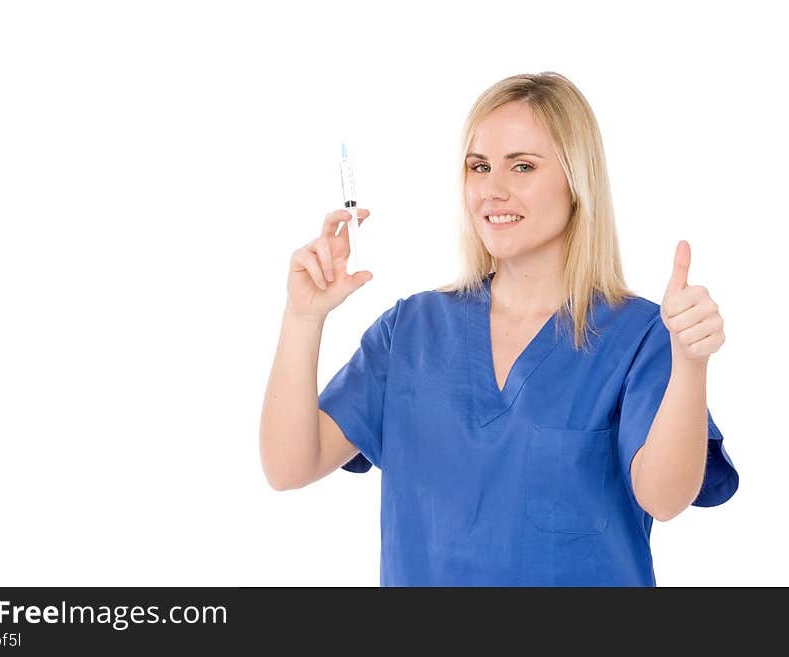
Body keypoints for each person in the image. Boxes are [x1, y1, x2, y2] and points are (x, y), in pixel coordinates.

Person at [259, 71, 739, 587]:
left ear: (578, 184)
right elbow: (288, 467)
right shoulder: (412, 333)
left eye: (523, 167)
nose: (493, 190)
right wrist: (304, 317)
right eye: (479, 167)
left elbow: (663, 499)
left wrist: (690, 362)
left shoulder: (639, 336)